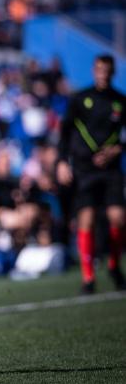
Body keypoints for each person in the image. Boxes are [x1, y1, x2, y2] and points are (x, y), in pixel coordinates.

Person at [57, 54, 126, 294]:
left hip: (111, 170)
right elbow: (64, 132)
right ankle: (88, 278)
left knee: (118, 217)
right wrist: (61, 162)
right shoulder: (80, 99)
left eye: (107, 70)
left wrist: (117, 149)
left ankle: (114, 266)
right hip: (84, 169)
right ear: (94, 71)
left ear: (112, 72)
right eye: (99, 70)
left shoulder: (120, 101)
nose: (103, 74)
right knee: (86, 219)